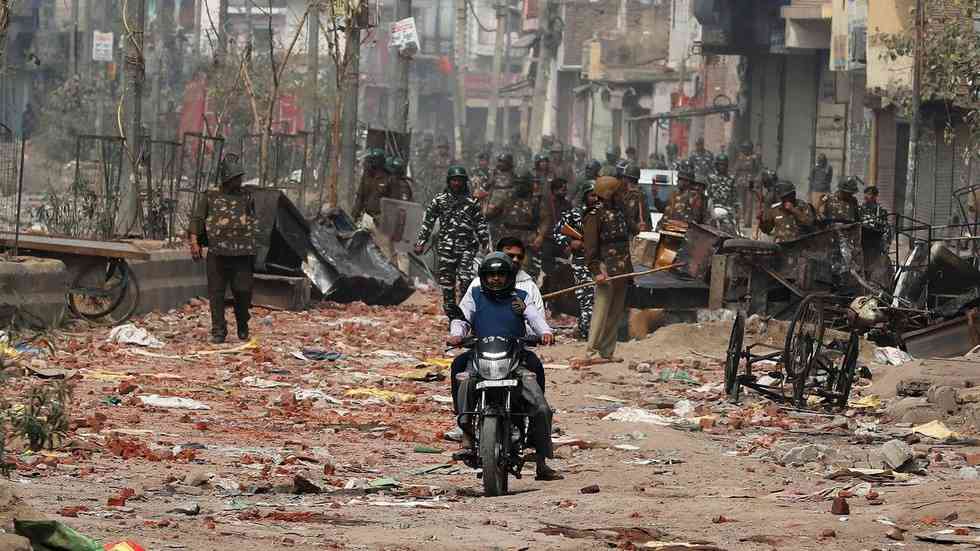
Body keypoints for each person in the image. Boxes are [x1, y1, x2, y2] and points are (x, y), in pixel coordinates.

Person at [448, 253, 561, 481]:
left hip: (515, 358)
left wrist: (545, 333)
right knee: (460, 369)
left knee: (541, 406)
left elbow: (535, 318)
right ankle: (466, 429)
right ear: (484, 277)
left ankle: (539, 453)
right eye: (491, 275)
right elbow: (462, 319)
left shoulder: (520, 297)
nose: (496, 279)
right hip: (481, 356)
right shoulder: (475, 295)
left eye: (501, 274)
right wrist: (456, 335)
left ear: (509, 276)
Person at [188, 157, 257, 344]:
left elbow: (253, 222)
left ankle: (243, 323)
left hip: (242, 254)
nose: (240, 181)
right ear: (227, 178)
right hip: (218, 253)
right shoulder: (210, 195)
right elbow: (198, 218)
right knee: (216, 293)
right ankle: (219, 330)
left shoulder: (247, 196)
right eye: (236, 177)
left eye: (240, 177)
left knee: (243, 291)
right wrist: (194, 242)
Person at [415, 166, 491, 318]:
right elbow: (428, 222)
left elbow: (480, 224)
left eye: (460, 180)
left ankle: (465, 312)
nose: (457, 183)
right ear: (449, 182)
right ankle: (452, 315)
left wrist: (485, 243)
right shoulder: (439, 200)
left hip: (467, 248)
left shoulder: (471, 202)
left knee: (465, 279)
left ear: (464, 182)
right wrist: (421, 241)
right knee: (447, 283)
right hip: (446, 248)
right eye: (454, 180)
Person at [580, 176, 632, 363]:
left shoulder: (619, 212)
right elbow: (591, 247)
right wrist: (596, 271)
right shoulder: (594, 216)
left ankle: (607, 351)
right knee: (601, 310)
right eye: (617, 192)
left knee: (616, 311)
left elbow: (630, 233)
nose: (621, 195)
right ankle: (590, 352)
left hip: (622, 267)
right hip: (605, 267)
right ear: (609, 194)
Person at [485, 172, 553, 280]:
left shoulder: (536, 201)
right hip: (508, 241)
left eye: (523, 184)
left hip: (528, 242)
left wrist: (540, 236)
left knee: (525, 274)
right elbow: (491, 214)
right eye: (518, 183)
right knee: (505, 271)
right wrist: (484, 202)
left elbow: (545, 219)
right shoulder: (507, 198)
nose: (520, 186)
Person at [554, 183, 597, 339]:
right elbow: (557, 232)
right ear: (585, 195)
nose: (595, 198)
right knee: (586, 298)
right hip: (582, 261)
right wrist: (570, 242)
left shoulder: (604, 214)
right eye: (592, 195)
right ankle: (586, 332)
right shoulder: (573, 214)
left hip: (601, 262)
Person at [658, 163, 707, 229]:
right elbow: (664, 209)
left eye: (680, 179)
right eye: (678, 179)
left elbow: (696, 219)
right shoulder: (674, 194)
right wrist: (656, 198)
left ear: (687, 181)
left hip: (682, 232)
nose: (678, 181)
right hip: (667, 229)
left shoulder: (695, 197)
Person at [352, 148, 389, 221]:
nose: (373, 162)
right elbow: (360, 196)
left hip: (382, 219)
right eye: (372, 159)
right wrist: (355, 214)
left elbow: (393, 203)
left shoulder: (389, 177)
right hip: (366, 216)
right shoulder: (367, 174)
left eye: (376, 159)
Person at [706, 153, 738, 234]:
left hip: (727, 210)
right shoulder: (711, 178)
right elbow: (707, 195)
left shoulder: (731, 179)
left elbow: (735, 197)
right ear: (716, 165)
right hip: (712, 210)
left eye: (724, 165)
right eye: (720, 165)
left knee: (730, 231)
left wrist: (737, 212)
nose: (722, 167)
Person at [734, 141, 761, 227]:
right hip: (740, 182)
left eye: (746, 149)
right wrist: (734, 180)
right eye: (744, 149)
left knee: (749, 202)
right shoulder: (740, 157)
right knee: (741, 202)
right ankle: (741, 218)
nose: (745, 150)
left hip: (750, 182)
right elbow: (736, 169)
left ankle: (747, 222)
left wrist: (757, 180)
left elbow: (759, 170)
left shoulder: (754, 158)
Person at [621, 164, 651, 234]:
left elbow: (642, 220)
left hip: (633, 235)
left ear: (628, 178)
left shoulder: (639, 196)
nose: (622, 179)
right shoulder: (623, 192)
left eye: (624, 177)